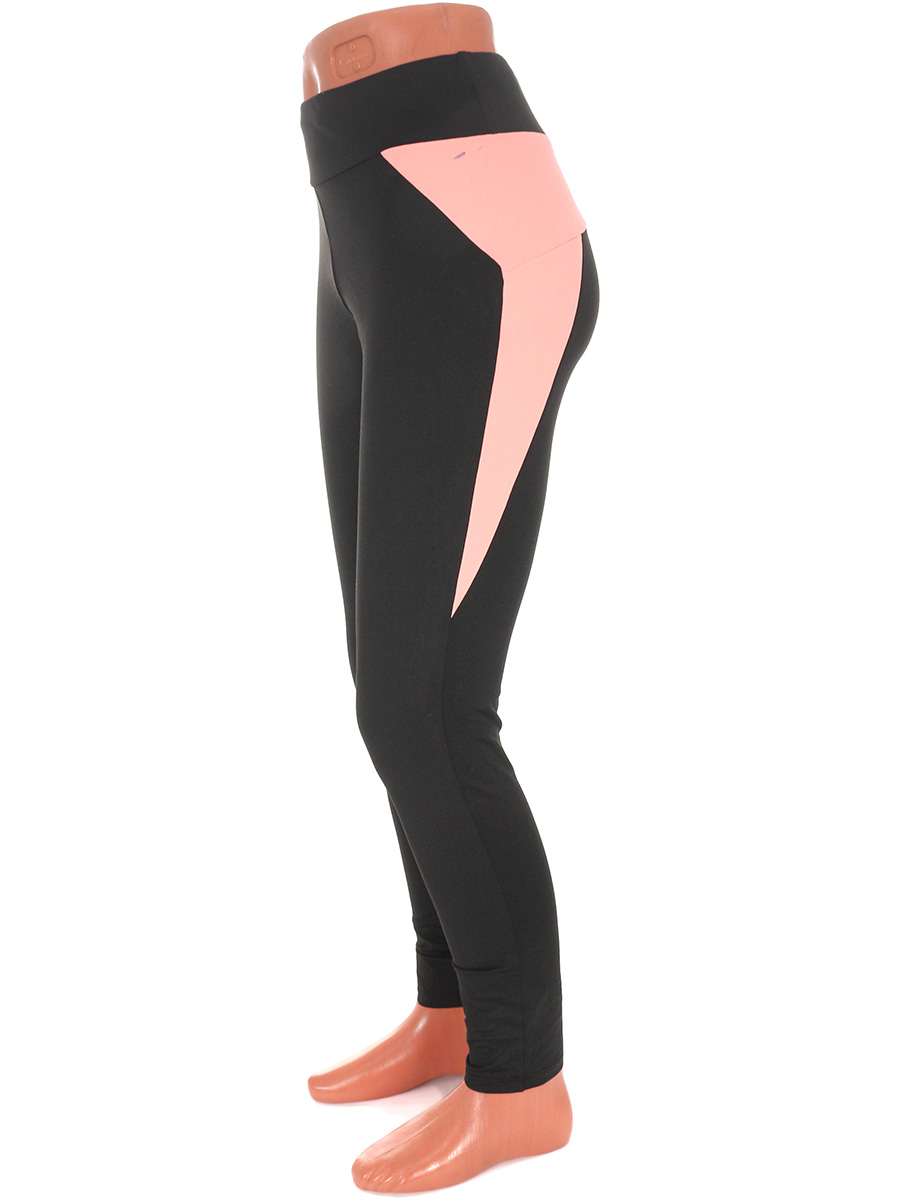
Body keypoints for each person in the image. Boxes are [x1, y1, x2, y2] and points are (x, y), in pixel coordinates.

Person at [299, 4, 599, 1190]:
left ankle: (521, 1083)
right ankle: (455, 1009)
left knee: (422, 706)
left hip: (469, 219)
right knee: (391, 687)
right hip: (359, 209)